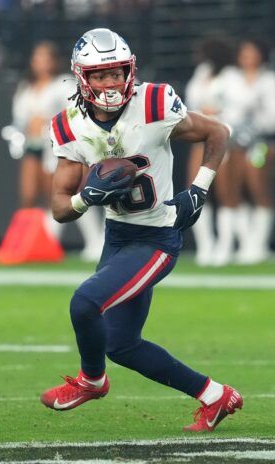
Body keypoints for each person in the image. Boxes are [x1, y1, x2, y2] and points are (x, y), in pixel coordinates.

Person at [40, 28, 242, 432]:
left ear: (130, 71)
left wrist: (198, 190)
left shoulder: (153, 102)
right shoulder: (69, 126)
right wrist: (87, 198)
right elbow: (61, 208)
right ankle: (216, 396)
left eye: (117, 73)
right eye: (100, 75)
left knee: (84, 303)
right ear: (82, 78)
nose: (111, 83)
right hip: (118, 237)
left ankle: (91, 381)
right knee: (122, 344)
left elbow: (218, 132)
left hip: (157, 236)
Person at [11, 41, 104, 261]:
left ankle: (95, 240)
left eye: (46, 57)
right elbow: (18, 119)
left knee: (64, 192)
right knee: (30, 194)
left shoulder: (64, 84)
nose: (41, 62)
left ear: (54, 61)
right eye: (37, 57)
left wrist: (49, 125)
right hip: (31, 144)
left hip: (57, 146)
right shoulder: (26, 88)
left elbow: (75, 112)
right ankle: (45, 241)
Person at [211, 38, 275, 265]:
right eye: (244, 53)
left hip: (260, 142)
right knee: (229, 188)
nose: (247, 58)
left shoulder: (270, 80)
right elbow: (215, 103)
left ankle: (259, 243)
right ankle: (240, 242)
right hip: (232, 140)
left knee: (257, 185)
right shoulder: (229, 78)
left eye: (252, 53)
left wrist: (256, 124)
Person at [184, 37, 235, 266]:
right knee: (195, 191)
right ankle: (206, 245)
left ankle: (225, 246)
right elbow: (190, 101)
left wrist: (218, 114)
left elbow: (237, 106)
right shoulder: (201, 73)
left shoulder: (232, 76)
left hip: (225, 137)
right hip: (202, 137)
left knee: (225, 193)